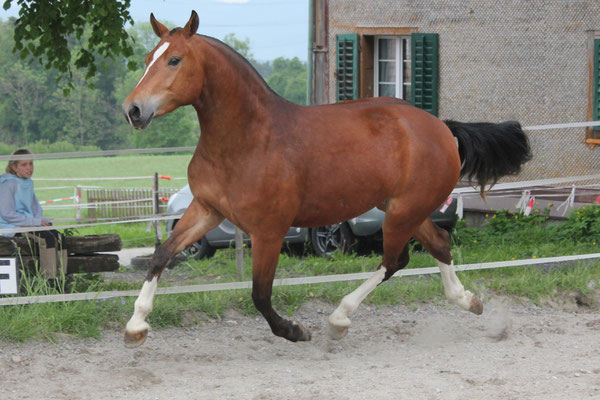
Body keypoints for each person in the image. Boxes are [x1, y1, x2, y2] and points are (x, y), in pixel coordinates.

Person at [0, 149, 68, 284]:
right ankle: (50, 280)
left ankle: (62, 277)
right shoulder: (8, 184)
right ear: (14, 167)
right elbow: (7, 214)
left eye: (31, 164)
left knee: (60, 238)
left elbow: (36, 208)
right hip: (13, 225)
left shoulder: (28, 182)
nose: (29, 168)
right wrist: (35, 222)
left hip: (28, 223)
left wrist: (42, 221)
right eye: (24, 165)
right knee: (46, 238)